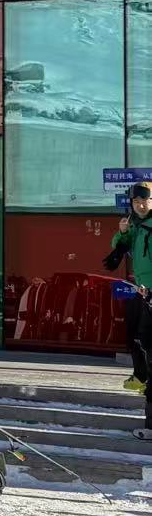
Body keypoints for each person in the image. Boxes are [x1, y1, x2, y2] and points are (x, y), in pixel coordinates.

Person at [103, 182, 152, 440]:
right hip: (143, 291)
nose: (141, 205)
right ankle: (143, 378)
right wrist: (122, 232)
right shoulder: (135, 224)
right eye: (136, 201)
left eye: (145, 200)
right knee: (140, 338)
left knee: (146, 341)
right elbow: (118, 245)